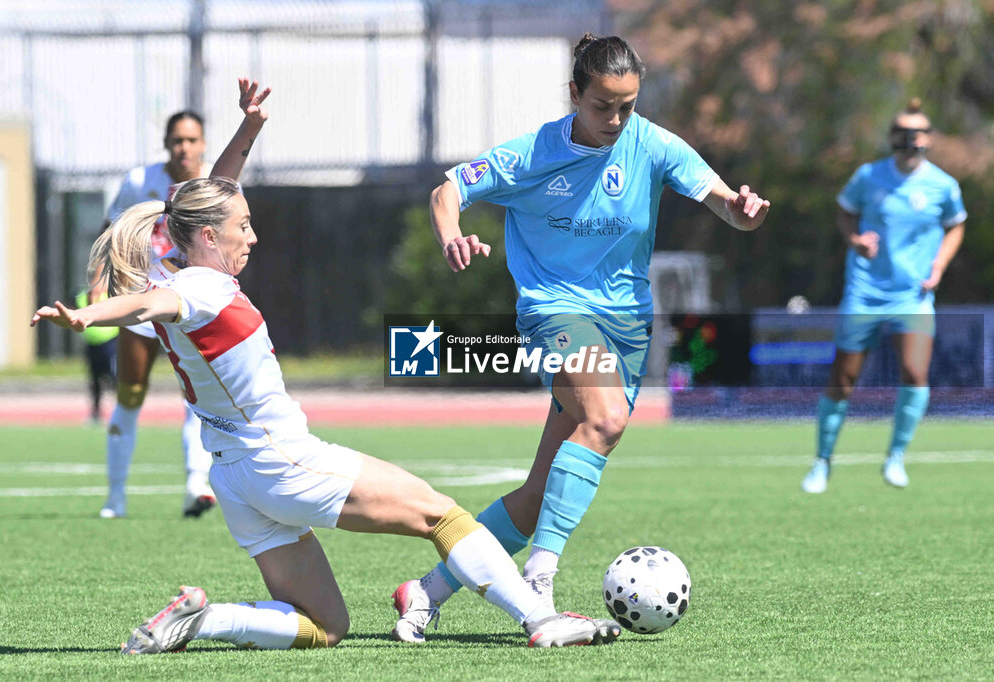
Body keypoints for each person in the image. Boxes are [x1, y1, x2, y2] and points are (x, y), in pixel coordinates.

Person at [30, 81, 620, 652]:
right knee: (443, 517)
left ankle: (203, 620)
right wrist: (89, 318)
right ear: (208, 237)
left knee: (324, 624)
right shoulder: (199, 285)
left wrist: (251, 127)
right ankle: (541, 619)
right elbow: (148, 302)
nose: (253, 238)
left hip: (235, 478)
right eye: (244, 228)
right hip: (281, 459)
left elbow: (215, 196)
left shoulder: (177, 258)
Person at [390, 33, 769, 643]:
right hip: (554, 315)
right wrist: (451, 233)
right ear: (575, 95)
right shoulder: (534, 153)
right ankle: (540, 583)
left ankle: (426, 590)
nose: (617, 119)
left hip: (626, 325)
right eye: (603, 106)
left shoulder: (653, 143)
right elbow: (447, 191)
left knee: (539, 495)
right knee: (608, 420)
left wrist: (742, 211)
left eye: (627, 105)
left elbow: (721, 199)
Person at [801, 98, 966, 493]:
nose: (912, 140)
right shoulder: (868, 176)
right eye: (905, 133)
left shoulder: (943, 185)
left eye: (919, 133)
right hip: (866, 291)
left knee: (915, 374)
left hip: (913, 295)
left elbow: (956, 226)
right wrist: (855, 240)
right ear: (893, 137)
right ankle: (822, 461)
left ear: (928, 138)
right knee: (844, 379)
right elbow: (844, 211)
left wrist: (939, 265)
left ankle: (896, 457)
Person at [98, 107, 217, 519]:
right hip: (143, 302)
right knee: (130, 395)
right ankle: (115, 497)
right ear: (166, 143)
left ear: (203, 144)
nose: (184, 147)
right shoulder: (139, 181)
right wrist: (102, 280)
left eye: (192, 140)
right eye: (177, 140)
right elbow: (110, 227)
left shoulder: (213, 186)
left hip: (192, 304)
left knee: (197, 398)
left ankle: (195, 486)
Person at [74, 287, 118, 424]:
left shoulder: (112, 295)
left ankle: (123, 411)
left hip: (111, 344)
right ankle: (95, 412)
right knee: (94, 380)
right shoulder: (80, 297)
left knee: (115, 378)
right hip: (92, 346)